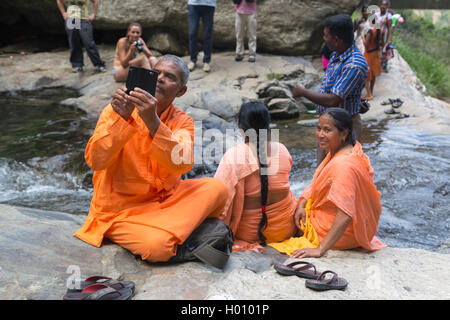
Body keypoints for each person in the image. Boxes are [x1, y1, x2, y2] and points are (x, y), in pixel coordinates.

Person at [74, 54, 229, 262]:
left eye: (170, 77)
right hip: (121, 212)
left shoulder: (183, 121)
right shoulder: (118, 109)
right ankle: (176, 235)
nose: (160, 79)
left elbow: (181, 163)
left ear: (181, 91)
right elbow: (95, 161)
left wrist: (152, 121)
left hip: (167, 200)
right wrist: (122, 120)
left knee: (218, 189)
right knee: (157, 247)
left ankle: (171, 232)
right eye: (157, 73)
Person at [270, 108, 387, 258]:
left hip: (341, 234)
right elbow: (318, 182)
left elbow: (346, 213)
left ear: (344, 133)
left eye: (327, 130)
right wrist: (301, 203)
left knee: (279, 220)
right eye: (319, 129)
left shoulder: (344, 165)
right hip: (348, 225)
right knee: (292, 206)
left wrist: (320, 249)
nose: (321, 135)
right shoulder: (347, 150)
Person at [214, 102, 300, 252]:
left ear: (241, 129)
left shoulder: (233, 157)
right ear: (268, 125)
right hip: (286, 229)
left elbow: (219, 201)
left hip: (249, 235)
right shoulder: (282, 150)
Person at [291, 14, 368, 166]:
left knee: (340, 171)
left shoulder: (354, 64)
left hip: (342, 130)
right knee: (322, 170)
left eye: (326, 35)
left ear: (337, 39)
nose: (324, 38)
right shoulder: (336, 54)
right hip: (328, 125)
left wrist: (303, 92)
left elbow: (333, 99)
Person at [56, 0, 106, 73]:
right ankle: (77, 65)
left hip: (83, 19)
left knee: (88, 42)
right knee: (74, 42)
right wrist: (63, 13)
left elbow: (95, 1)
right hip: (71, 19)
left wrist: (93, 14)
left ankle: (99, 64)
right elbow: (59, 1)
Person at [187, 0, 216, 72]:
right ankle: (192, 60)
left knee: (207, 34)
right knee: (192, 33)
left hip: (209, 4)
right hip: (193, 4)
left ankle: (206, 61)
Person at [362, 27, 382, 100]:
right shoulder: (379, 31)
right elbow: (381, 43)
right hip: (376, 53)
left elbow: (366, 44)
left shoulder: (370, 31)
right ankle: (371, 92)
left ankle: (369, 94)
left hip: (369, 54)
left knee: (365, 73)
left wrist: (362, 38)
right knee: (373, 74)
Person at [376, 0, 393, 72]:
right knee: (377, 49)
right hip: (376, 34)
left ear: (387, 7)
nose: (383, 6)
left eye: (385, 5)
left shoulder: (388, 16)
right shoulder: (376, 14)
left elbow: (389, 28)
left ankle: (385, 65)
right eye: (382, 4)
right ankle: (377, 64)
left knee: (384, 50)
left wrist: (389, 39)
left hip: (384, 35)